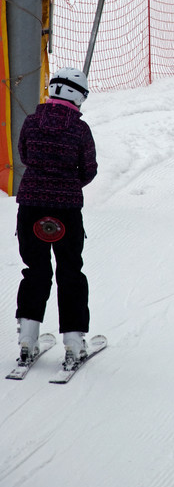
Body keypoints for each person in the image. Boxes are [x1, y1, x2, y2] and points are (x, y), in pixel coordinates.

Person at [14, 67, 98, 367]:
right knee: (70, 272)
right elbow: (89, 169)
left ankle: (27, 340)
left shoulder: (31, 122)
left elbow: (24, 155)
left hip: (30, 207)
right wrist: (68, 185)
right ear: (78, 96)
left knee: (35, 270)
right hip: (66, 211)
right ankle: (74, 343)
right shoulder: (79, 129)